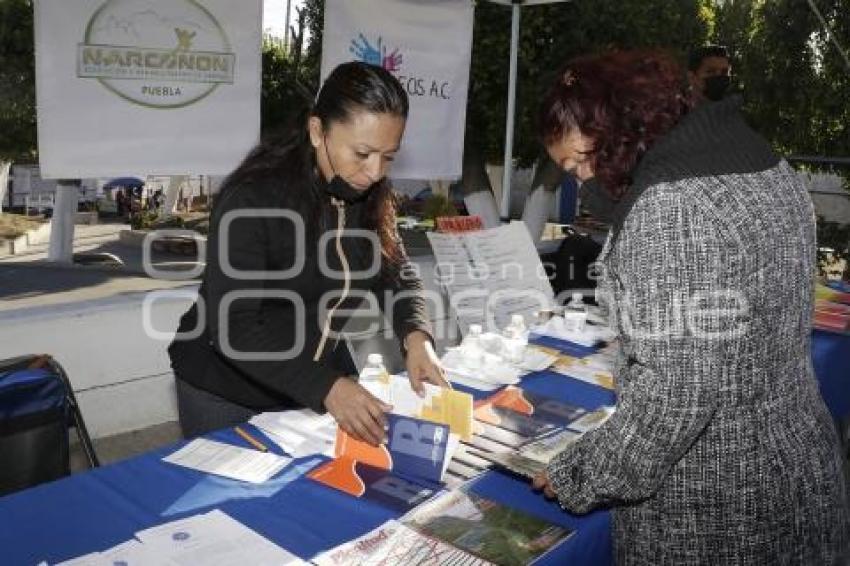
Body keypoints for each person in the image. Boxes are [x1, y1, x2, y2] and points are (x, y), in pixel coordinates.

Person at [533, 50, 849, 564]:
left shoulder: (670, 209)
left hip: (719, 509)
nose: (580, 181)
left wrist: (578, 473)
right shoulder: (763, 160)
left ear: (618, 130)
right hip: (796, 468)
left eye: (578, 162)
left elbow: (677, 397)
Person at [168, 62, 448, 444]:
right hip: (226, 391)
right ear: (318, 131)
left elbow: (394, 272)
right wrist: (329, 387)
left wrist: (417, 336)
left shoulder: (369, 194)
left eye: (388, 157)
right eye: (362, 153)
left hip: (310, 382)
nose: (375, 172)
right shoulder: (254, 198)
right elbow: (236, 328)